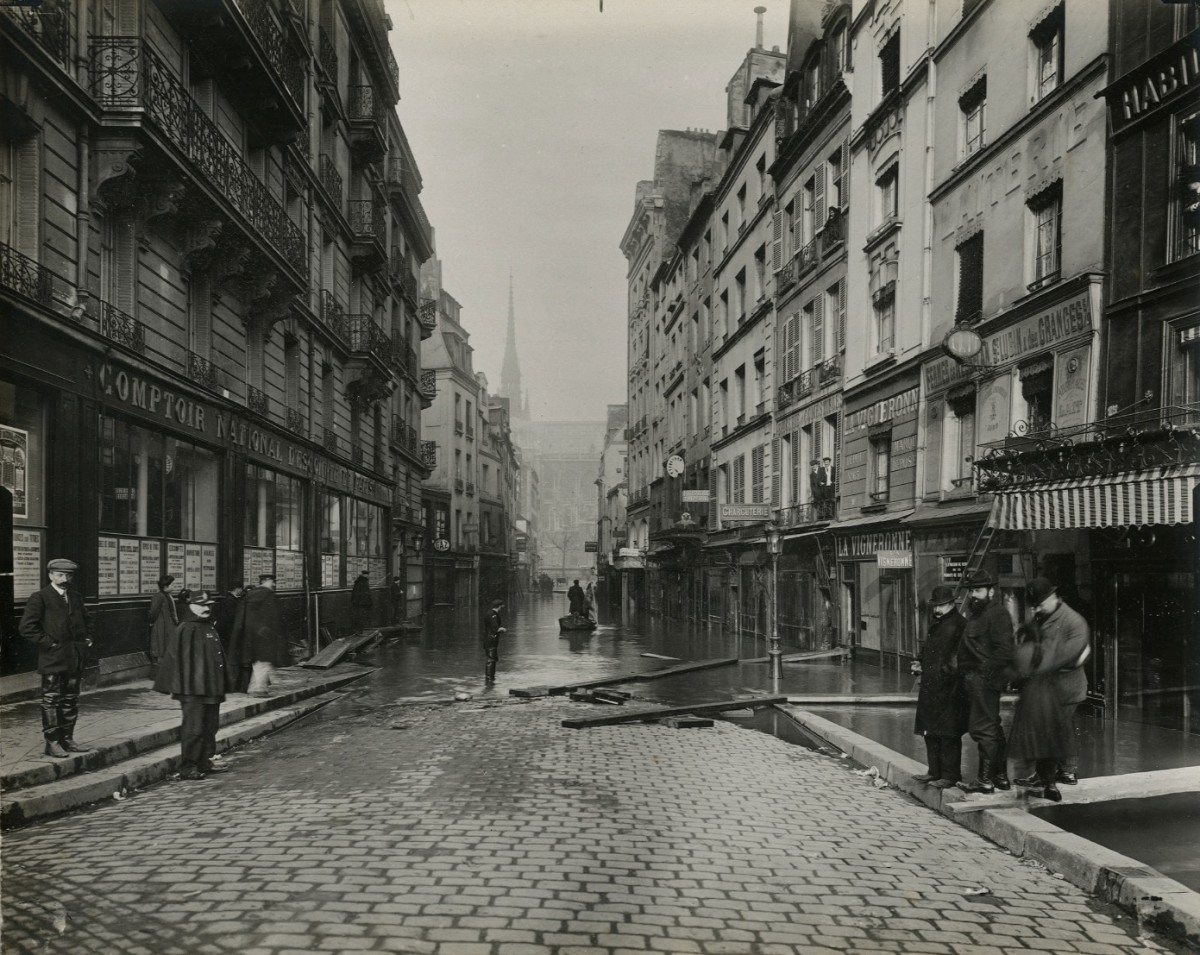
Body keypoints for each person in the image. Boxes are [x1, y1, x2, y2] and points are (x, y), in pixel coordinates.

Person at [1014, 577, 1090, 788]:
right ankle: (1066, 772)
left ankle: (1048, 775)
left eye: (1040, 604)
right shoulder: (1042, 618)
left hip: (1066, 688)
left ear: (1053, 597)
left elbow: (1076, 656)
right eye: (1034, 606)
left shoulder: (1071, 621)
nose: (1037, 609)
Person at [19, 558, 95, 758]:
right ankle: (52, 742)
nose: (64, 579)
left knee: (70, 698)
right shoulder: (40, 597)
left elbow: (87, 620)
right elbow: (27, 628)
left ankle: (67, 739)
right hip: (53, 658)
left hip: (74, 657)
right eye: (60, 575)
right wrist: (49, 643)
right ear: (50, 575)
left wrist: (87, 638)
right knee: (51, 699)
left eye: (68, 575)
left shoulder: (76, 597)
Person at [153, 591, 229, 781]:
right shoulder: (188, 628)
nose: (206, 609)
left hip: (210, 687)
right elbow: (179, 661)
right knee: (194, 728)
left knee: (210, 726)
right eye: (202, 605)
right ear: (191, 606)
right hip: (193, 689)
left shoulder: (206, 626)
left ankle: (204, 761)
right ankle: (188, 766)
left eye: (209, 605)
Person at [1006, 615, 1079, 803]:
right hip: (1051, 698)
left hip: (1032, 699)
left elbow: (1016, 675)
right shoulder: (1051, 649)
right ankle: (1050, 785)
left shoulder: (1024, 650)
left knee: (1027, 743)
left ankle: (1024, 790)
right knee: (1050, 741)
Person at [955, 573, 1016, 794]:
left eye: (978, 591)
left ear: (991, 592)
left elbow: (1005, 652)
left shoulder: (997, 614)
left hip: (984, 680)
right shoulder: (978, 613)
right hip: (975, 680)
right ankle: (999, 777)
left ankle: (984, 781)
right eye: (971, 591)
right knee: (992, 727)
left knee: (982, 729)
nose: (973, 595)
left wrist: (985, 675)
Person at [912, 585, 967, 789]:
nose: (937, 609)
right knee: (930, 730)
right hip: (932, 685)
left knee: (948, 732)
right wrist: (920, 662)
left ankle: (950, 775)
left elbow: (957, 658)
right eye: (935, 605)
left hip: (949, 688)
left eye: (941, 606)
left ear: (952, 604)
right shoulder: (938, 623)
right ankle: (934, 771)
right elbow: (929, 649)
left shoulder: (959, 624)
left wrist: (944, 673)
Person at [236, 574, 289, 697]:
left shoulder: (250, 594)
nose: (274, 584)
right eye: (272, 582)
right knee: (264, 661)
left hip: (251, 635)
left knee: (259, 661)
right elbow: (274, 618)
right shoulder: (269, 596)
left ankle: (257, 687)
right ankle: (258, 689)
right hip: (265, 635)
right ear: (266, 581)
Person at [147, 575, 178, 668]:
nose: (174, 587)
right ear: (165, 586)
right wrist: (152, 622)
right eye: (172, 585)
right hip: (161, 626)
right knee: (161, 646)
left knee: (167, 646)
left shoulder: (168, 595)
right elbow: (153, 611)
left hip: (168, 626)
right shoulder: (159, 596)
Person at [481, 598, 506, 684]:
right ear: (499, 607)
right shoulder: (493, 615)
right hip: (491, 639)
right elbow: (495, 628)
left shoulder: (489, 613)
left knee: (492, 659)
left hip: (490, 639)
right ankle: (489, 679)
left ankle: (490, 678)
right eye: (501, 607)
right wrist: (502, 629)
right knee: (491, 659)